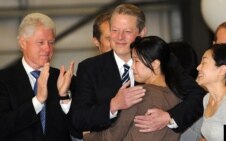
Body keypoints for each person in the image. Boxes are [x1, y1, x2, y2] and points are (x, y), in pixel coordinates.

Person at [71, 3, 205, 135]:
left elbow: (198, 96)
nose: (120, 37)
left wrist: (169, 117)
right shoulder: (89, 68)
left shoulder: (160, 58)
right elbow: (78, 118)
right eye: (115, 30)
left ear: (142, 33)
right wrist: (113, 105)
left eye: (127, 31)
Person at [83, 36, 183, 141]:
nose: (132, 67)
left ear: (155, 64)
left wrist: (87, 135)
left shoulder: (139, 93)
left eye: (136, 61)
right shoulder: (178, 96)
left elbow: (112, 136)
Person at [0, 13, 74, 141]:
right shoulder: (4, 80)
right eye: (41, 42)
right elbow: (3, 127)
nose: (47, 48)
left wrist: (64, 97)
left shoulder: (65, 79)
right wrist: (38, 101)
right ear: (23, 43)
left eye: (51, 42)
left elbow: (79, 129)